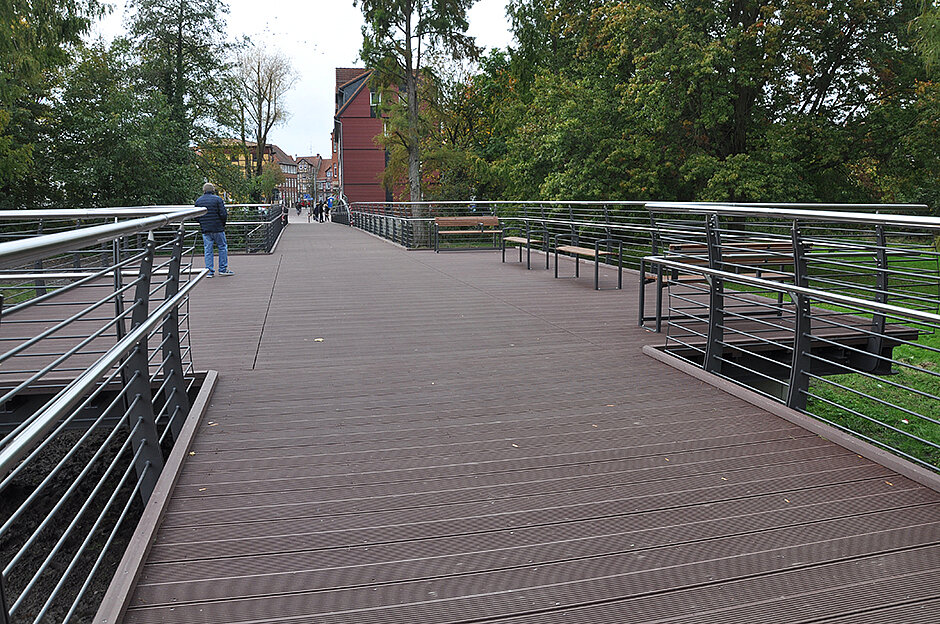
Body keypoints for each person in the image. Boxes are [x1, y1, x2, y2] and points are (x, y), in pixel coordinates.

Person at [195, 183, 234, 278]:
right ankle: (223, 269)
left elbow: (196, 216)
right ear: (213, 190)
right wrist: (222, 225)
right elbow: (223, 214)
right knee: (222, 247)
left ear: (204, 190)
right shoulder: (217, 199)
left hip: (205, 229)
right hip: (218, 228)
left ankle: (209, 271)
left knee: (208, 250)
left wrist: (202, 223)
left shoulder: (199, 201)